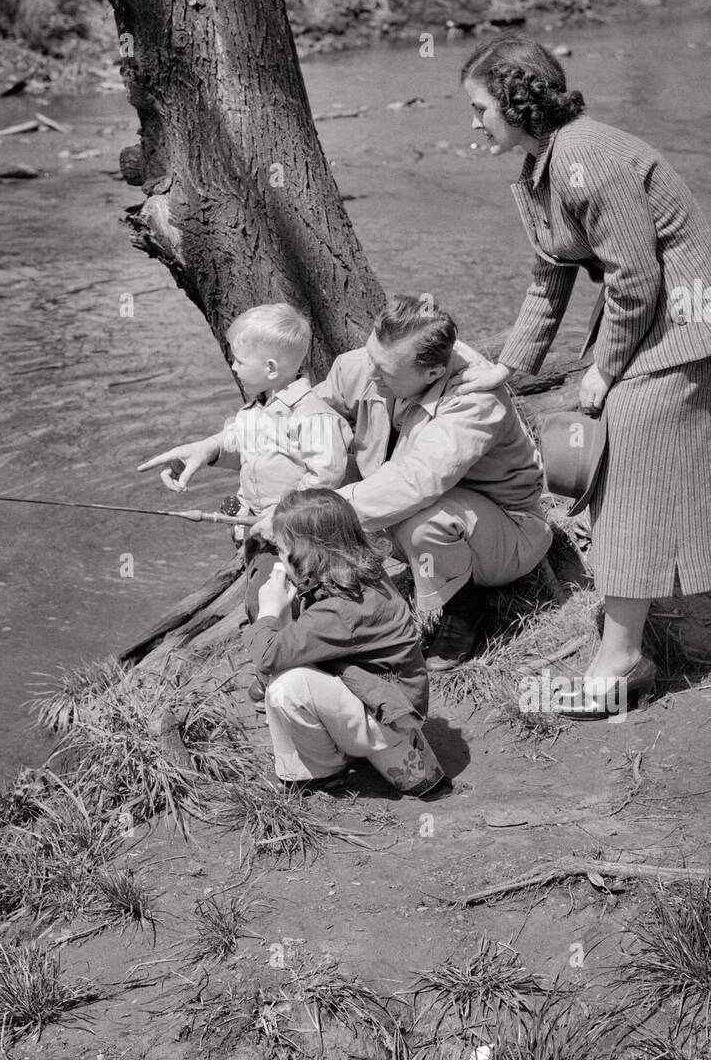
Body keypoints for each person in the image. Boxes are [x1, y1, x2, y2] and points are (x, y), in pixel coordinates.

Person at [458, 34, 711, 714]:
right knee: (624, 466)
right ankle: (630, 629)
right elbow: (549, 278)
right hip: (657, 319)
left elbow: (634, 280)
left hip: (682, 324)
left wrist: (603, 368)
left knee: (623, 461)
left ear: (517, 100)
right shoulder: (543, 164)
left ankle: (623, 657)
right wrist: (505, 366)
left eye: (479, 108)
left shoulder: (585, 156)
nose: (473, 123)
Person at [260, 294, 552, 672]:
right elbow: (304, 421)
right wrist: (219, 447)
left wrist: (304, 517)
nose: (371, 373)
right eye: (371, 357)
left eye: (385, 370)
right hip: (414, 510)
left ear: (432, 373)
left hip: (504, 530)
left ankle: (464, 612)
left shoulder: (475, 402)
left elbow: (415, 482)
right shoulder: (374, 363)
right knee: (317, 464)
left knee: (421, 519)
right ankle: (325, 600)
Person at [137, 303, 352, 619]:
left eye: (238, 361)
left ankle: (285, 650)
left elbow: (325, 479)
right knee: (261, 590)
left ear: (269, 369)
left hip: (299, 535)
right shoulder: (255, 410)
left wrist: (280, 517)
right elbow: (238, 444)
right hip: (258, 529)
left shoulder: (313, 417)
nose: (233, 367)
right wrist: (205, 451)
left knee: (273, 600)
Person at [247, 488, 444, 796]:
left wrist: (270, 611)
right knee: (293, 662)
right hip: (395, 706)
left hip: (386, 720)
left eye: (283, 553)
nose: (279, 562)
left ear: (307, 556)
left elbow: (267, 656)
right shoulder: (363, 576)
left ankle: (318, 773)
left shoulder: (339, 612)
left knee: (285, 688)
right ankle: (385, 754)